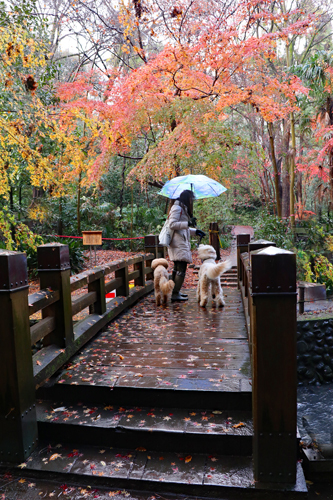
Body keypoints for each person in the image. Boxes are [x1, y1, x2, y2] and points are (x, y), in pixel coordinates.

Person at [168, 190, 206, 302]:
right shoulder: (177, 208)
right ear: (187, 198)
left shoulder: (182, 208)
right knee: (181, 267)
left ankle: (175, 291)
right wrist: (188, 223)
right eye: (191, 199)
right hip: (177, 242)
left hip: (181, 241)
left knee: (178, 267)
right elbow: (172, 224)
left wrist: (196, 231)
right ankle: (174, 294)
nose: (192, 201)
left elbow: (184, 228)